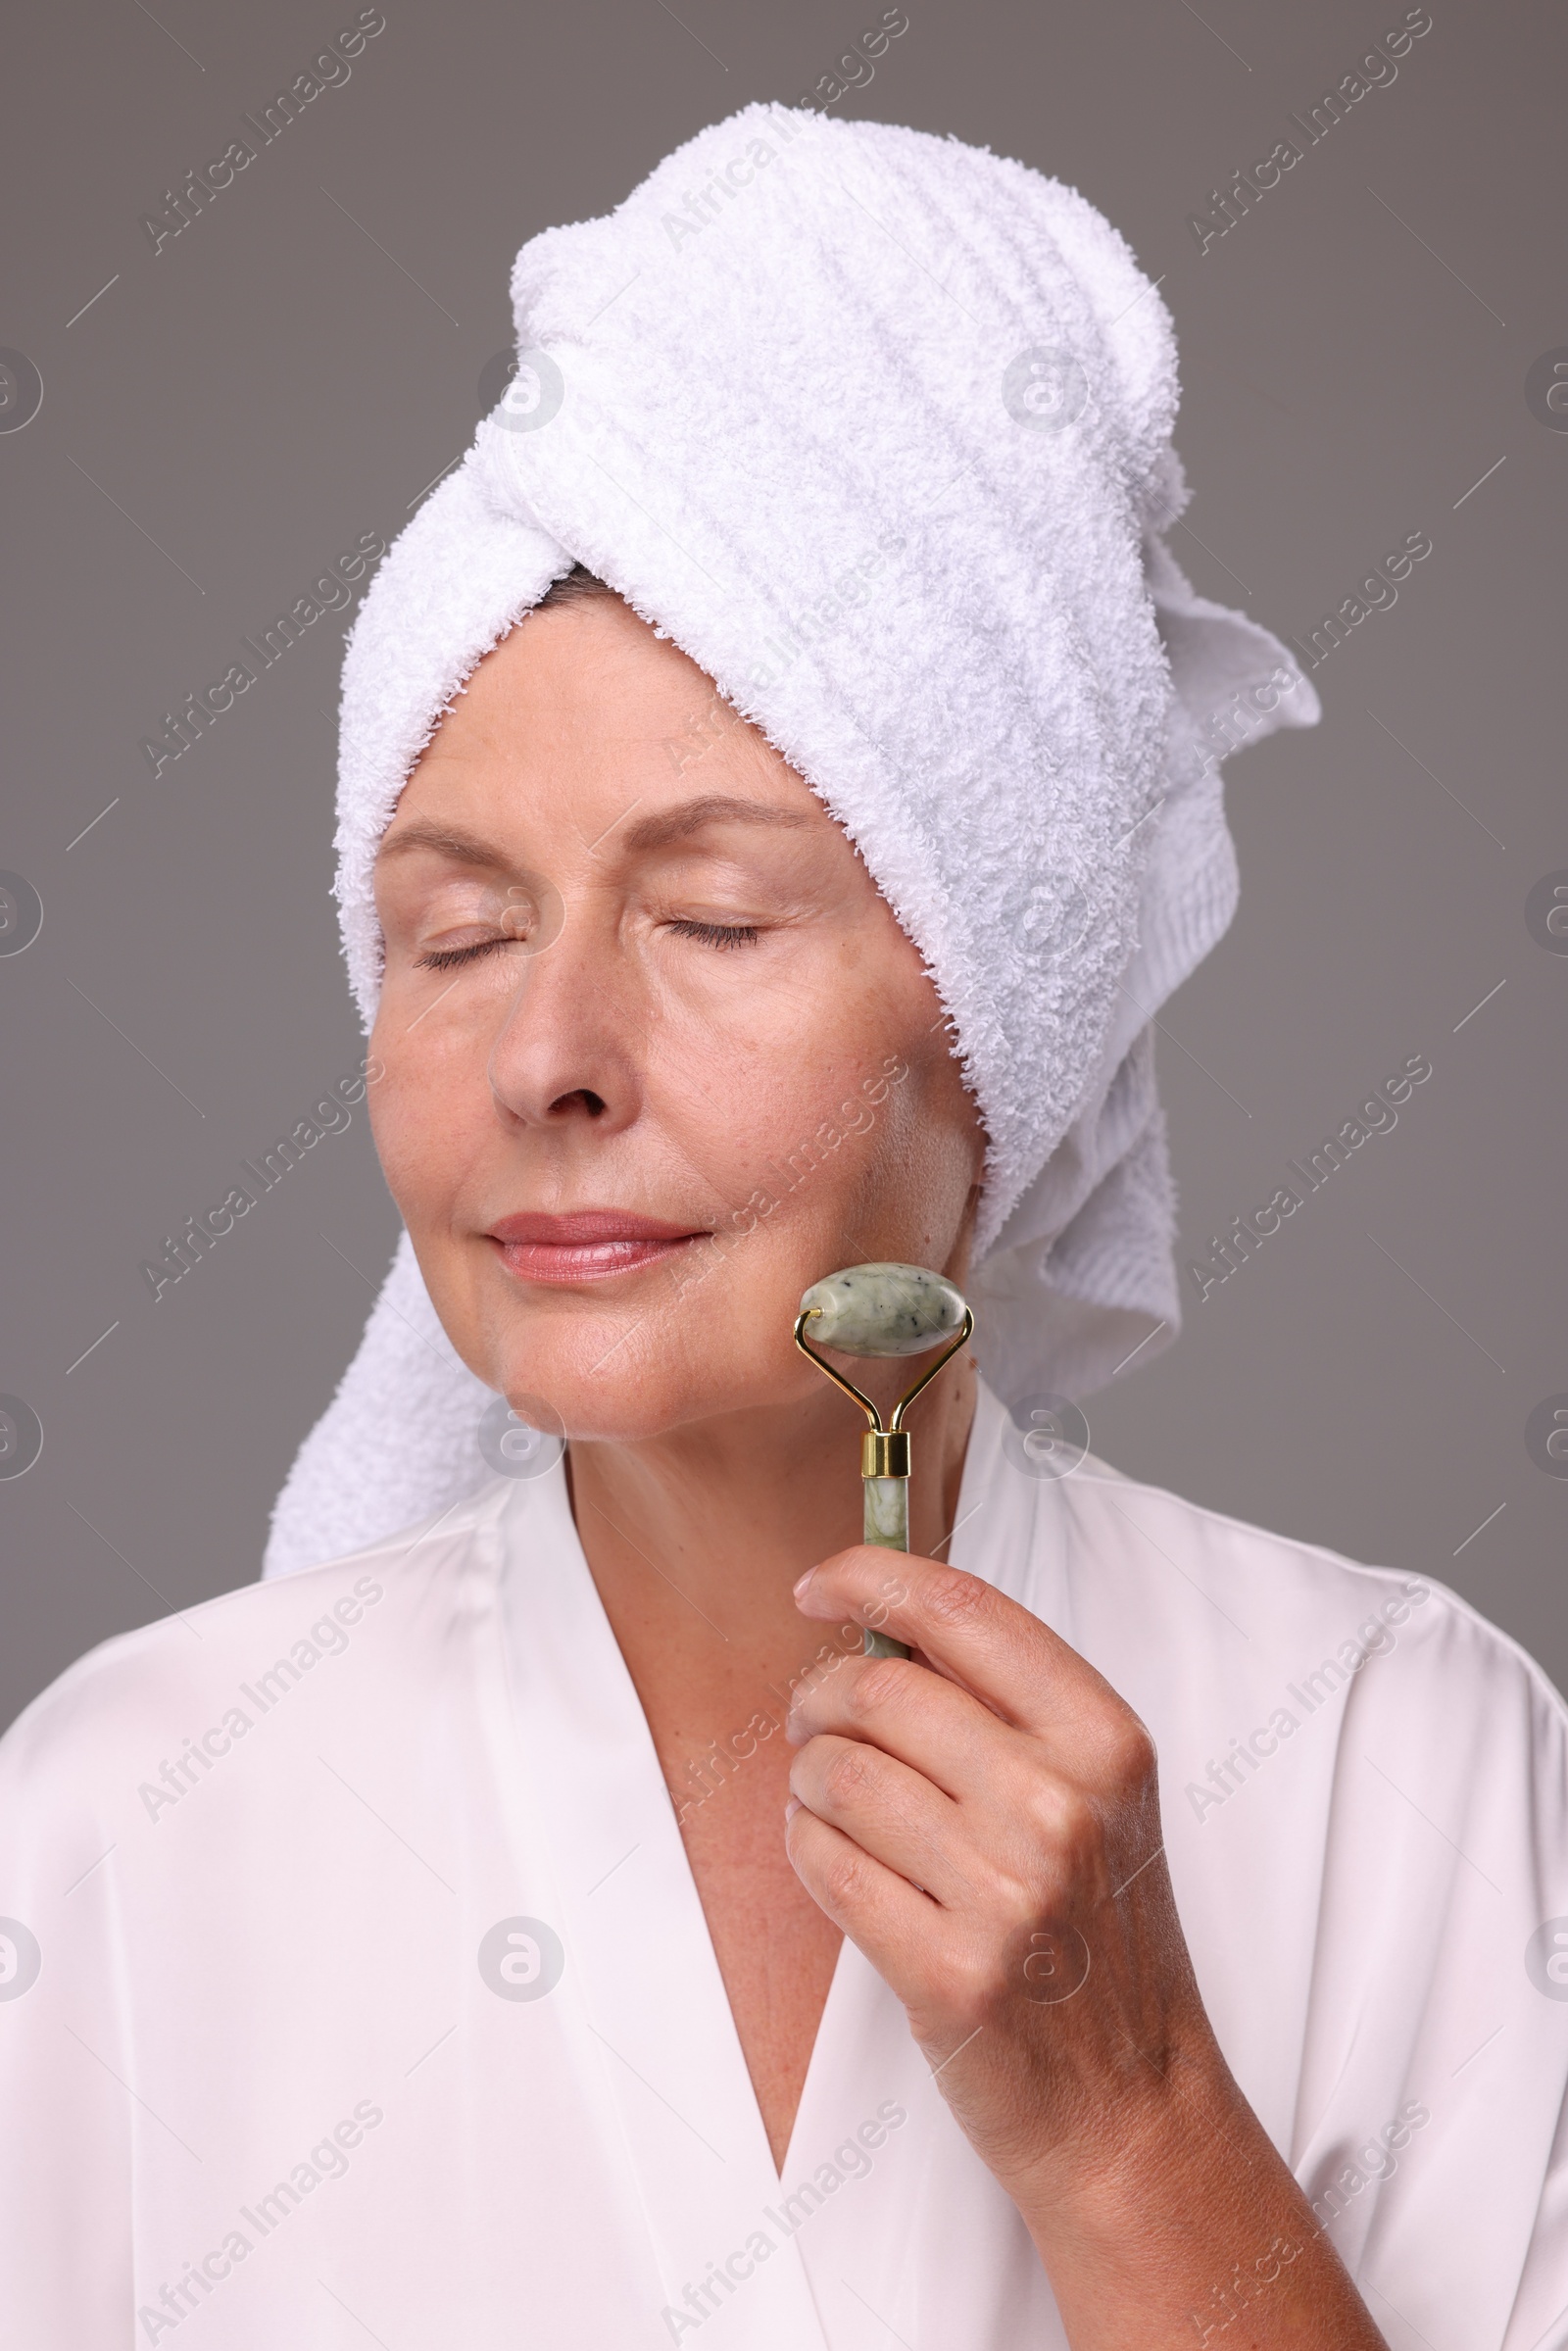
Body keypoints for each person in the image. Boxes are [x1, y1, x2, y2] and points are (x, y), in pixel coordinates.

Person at [2, 105, 1564, 2351]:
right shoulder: (117, 1825)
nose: (550, 1052)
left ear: (994, 1025)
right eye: (451, 936)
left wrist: (1130, 2125)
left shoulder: (1393, 1760)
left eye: (712, 915)